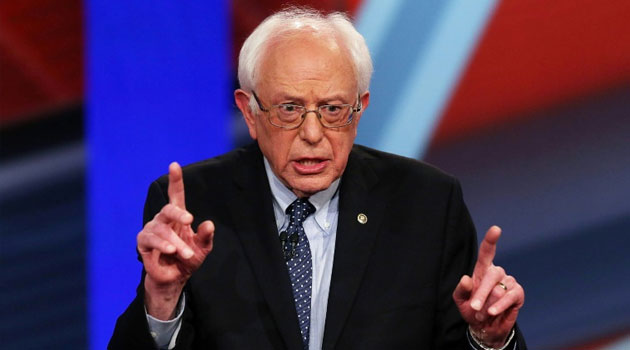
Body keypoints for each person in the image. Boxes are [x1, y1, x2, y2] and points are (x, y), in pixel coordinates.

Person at [110, 7, 526, 350]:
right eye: (289, 109)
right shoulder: (192, 208)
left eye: (332, 109)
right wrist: (162, 301)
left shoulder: (427, 205)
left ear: (359, 110)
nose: (312, 134)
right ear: (250, 112)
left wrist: (489, 339)